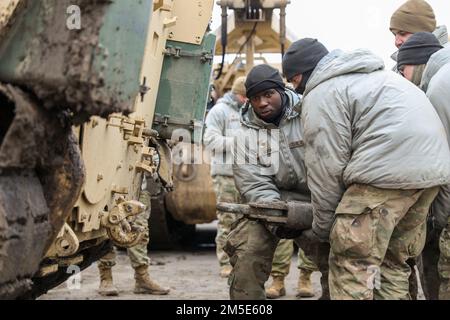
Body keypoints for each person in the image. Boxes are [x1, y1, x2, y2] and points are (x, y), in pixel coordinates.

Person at [282, 38, 450, 300]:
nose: (296, 89)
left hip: (383, 177)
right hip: (429, 175)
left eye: (293, 81)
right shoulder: (381, 78)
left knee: (351, 265)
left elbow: (326, 167)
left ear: (300, 74)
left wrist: (325, 229)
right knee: (393, 264)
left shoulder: (323, 92)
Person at [225, 64, 329, 300]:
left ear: (282, 91)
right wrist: (279, 215)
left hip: (320, 202)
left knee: (342, 253)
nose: (262, 103)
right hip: (272, 205)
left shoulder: (312, 112)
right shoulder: (245, 136)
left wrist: (323, 209)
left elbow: (332, 162)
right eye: (255, 98)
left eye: (268, 95)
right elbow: (254, 184)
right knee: (246, 250)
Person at [397, 32, 450, 300]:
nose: (403, 78)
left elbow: (445, 166)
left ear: (418, 64)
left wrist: (439, 221)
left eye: (402, 69)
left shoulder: (440, 86)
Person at [203, 77, 247, 278]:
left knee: (245, 222)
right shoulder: (219, 111)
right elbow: (210, 140)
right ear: (237, 93)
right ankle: (225, 263)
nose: (247, 100)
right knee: (227, 220)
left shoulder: (249, 111)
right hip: (225, 175)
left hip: (247, 176)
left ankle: (242, 261)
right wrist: (239, 143)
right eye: (244, 96)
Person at [97, 176, 170, 296]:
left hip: (138, 181)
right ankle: (106, 278)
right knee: (107, 226)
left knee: (140, 229)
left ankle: (142, 278)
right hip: (108, 180)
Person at [390, 0, 448, 69]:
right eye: (394, 34)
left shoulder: (446, 62)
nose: (397, 42)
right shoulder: (396, 70)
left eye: (402, 33)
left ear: (422, 32)